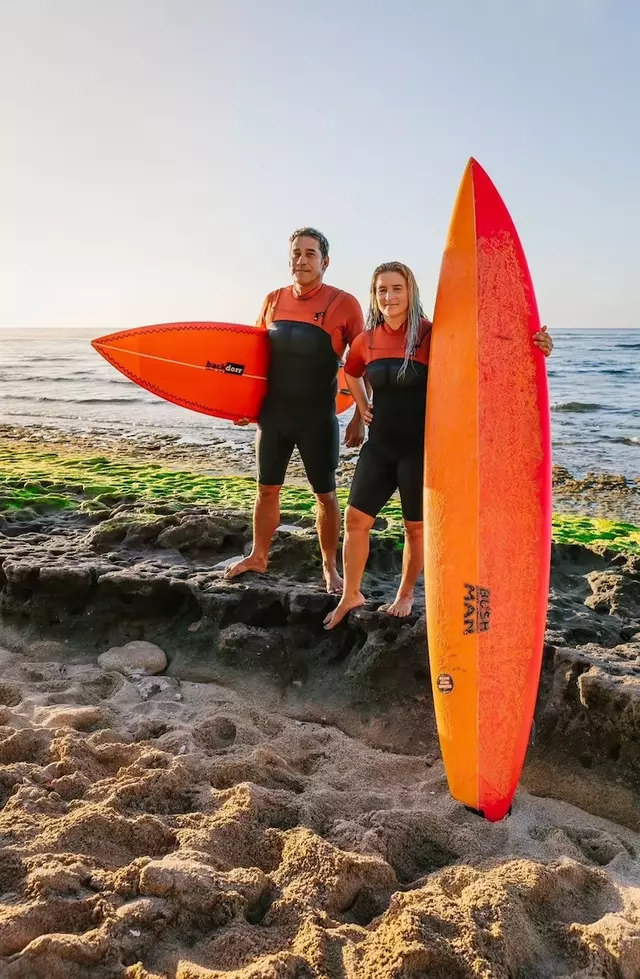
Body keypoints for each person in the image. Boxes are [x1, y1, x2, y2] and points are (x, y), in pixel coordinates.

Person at [324, 261, 554, 629]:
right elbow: (351, 371)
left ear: (410, 291)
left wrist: (535, 346)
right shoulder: (368, 339)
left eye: (396, 288)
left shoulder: (434, 336)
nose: (389, 296)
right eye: (382, 290)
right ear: (375, 296)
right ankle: (352, 593)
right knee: (355, 520)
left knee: (415, 528)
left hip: (420, 450)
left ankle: (405, 592)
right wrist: (363, 406)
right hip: (380, 446)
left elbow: (485, 357)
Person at [224, 228, 366, 593]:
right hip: (273, 415)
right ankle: (259, 555)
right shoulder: (273, 299)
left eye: (310, 254)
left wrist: (358, 415)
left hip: (317, 418)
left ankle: (330, 568)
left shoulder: (344, 304)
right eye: (296, 254)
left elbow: (362, 361)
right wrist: (244, 404)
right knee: (266, 489)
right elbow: (255, 359)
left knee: (325, 494)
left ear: (325, 261)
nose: (301, 260)